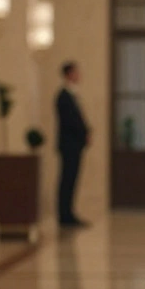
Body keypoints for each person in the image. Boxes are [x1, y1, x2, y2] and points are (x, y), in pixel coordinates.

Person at [55, 61, 91, 228]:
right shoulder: (63, 96)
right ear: (69, 74)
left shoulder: (72, 95)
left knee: (72, 179)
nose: (79, 75)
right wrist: (83, 132)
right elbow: (71, 121)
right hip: (69, 145)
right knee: (67, 179)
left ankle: (68, 212)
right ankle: (64, 215)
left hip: (75, 145)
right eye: (76, 72)